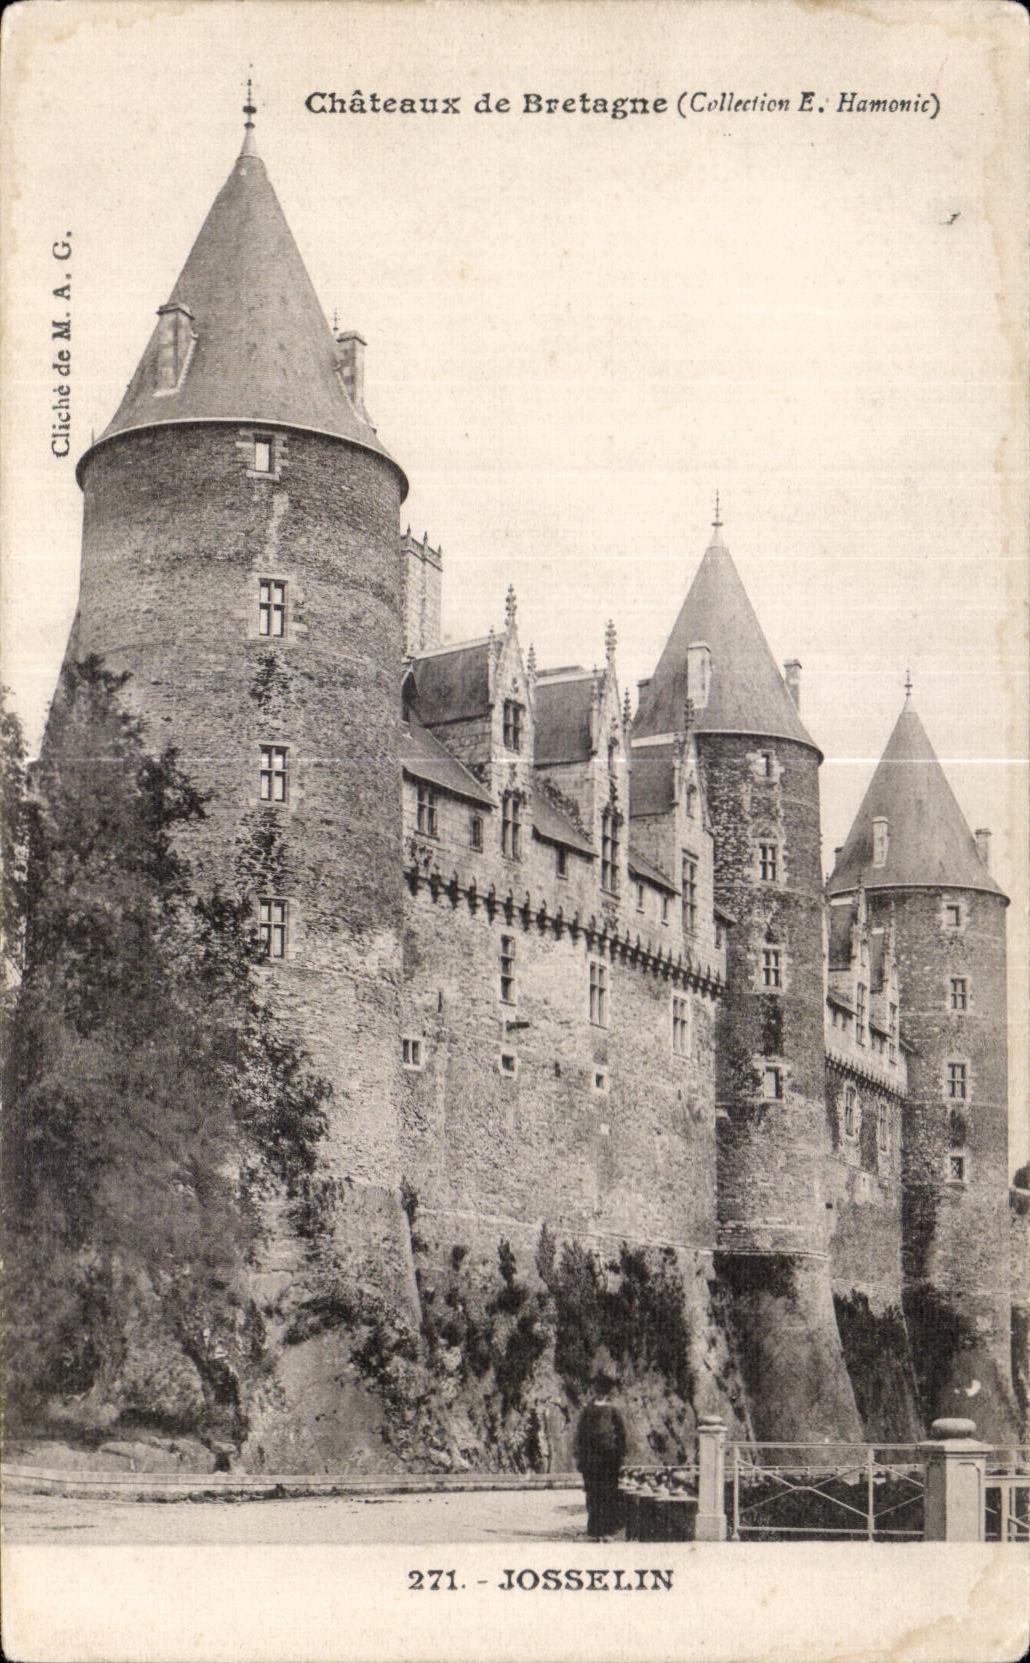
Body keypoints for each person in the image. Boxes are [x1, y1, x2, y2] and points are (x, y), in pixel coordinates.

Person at [574, 1378, 627, 1540]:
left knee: (602, 1493)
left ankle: (603, 1530)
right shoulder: (591, 1411)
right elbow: (580, 1437)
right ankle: (598, 1530)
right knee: (598, 1493)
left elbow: (622, 1436)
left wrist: (619, 1456)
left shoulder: (610, 1411)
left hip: (605, 1459)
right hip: (597, 1459)